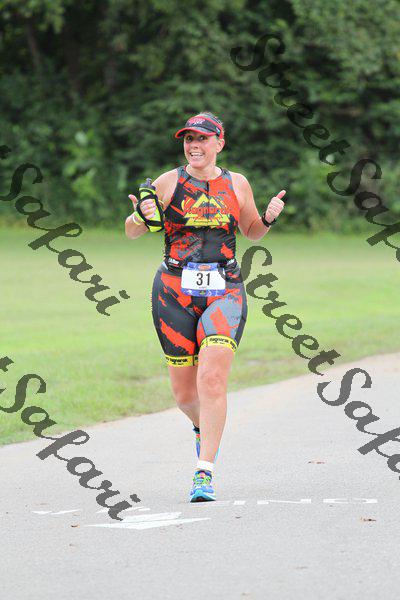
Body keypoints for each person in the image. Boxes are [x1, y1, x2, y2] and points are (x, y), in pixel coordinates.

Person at [125, 112, 285, 502]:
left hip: (224, 289)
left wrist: (267, 218)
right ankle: (203, 429)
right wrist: (141, 216)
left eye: (202, 139)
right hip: (173, 292)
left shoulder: (237, 183)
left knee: (211, 379)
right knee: (184, 395)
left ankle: (204, 471)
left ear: (219, 143)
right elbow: (132, 231)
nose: (194, 146)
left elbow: (251, 231)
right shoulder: (168, 182)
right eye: (188, 139)